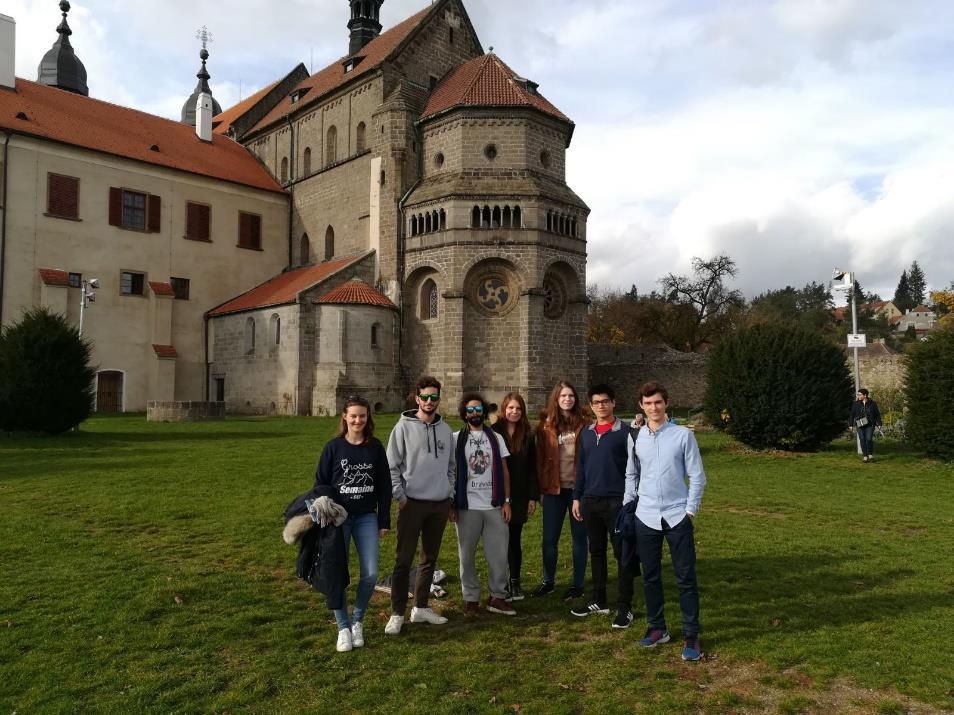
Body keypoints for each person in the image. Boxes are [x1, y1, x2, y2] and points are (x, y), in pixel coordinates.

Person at [626, 381, 706, 661]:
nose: (653, 408)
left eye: (658, 402)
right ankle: (657, 628)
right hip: (645, 516)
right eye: (648, 403)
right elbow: (631, 474)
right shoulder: (635, 437)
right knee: (650, 577)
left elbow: (697, 475)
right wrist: (630, 505)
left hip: (676, 516)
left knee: (686, 579)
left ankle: (691, 636)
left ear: (666, 403)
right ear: (641, 405)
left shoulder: (683, 435)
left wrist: (690, 511)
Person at [314, 396, 391, 652]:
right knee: (337, 573)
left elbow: (384, 487)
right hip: (339, 519)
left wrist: (384, 520)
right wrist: (324, 509)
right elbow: (321, 483)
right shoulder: (333, 448)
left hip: (366, 517)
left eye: (363, 416)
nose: (358, 420)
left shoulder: (375, 448)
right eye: (354, 415)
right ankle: (342, 627)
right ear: (345, 417)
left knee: (369, 573)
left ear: (368, 418)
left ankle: (357, 621)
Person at [384, 376, 456, 635]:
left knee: (429, 559)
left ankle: (421, 607)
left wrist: (449, 494)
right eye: (424, 397)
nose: (429, 401)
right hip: (411, 504)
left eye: (433, 397)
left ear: (439, 399)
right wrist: (400, 496)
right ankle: (396, 612)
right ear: (417, 399)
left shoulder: (446, 431)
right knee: (403, 561)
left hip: (438, 504)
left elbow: (451, 467)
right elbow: (390, 465)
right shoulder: (402, 428)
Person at [570, 384, 638, 629]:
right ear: (591, 405)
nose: (601, 405)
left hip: (617, 503)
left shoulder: (627, 433)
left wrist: (630, 500)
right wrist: (577, 497)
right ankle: (599, 599)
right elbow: (581, 468)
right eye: (597, 402)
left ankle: (625, 606)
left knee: (622, 554)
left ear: (614, 403)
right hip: (590, 501)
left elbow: (635, 470)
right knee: (596, 552)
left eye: (606, 401)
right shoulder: (586, 433)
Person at [453, 393, 515, 615]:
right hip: (467, 506)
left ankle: (497, 596)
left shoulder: (495, 438)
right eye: (470, 410)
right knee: (466, 556)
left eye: (478, 409)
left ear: (484, 412)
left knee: (498, 556)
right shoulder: (455, 438)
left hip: (494, 505)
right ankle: (471, 598)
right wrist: (452, 504)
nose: (475, 413)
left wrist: (507, 501)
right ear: (464, 413)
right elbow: (450, 473)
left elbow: (505, 471)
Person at [533, 381, 590, 600]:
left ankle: (577, 584)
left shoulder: (585, 424)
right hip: (553, 490)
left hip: (578, 490)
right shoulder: (545, 426)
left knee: (579, 538)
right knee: (549, 539)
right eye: (563, 396)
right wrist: (539, 488)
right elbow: (539, 459)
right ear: (556, 399)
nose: (568, 399)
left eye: (571, 395)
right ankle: (548, 581)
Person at [492, 392, 539, 602]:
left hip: (519, 495)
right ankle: (499, 584)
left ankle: (515, 581)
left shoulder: (527, 435)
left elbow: (532, 469)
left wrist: (532, 497)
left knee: (514, 540)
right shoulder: (493, 433)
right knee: (498, 542)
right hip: (496, 494)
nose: (514, 412)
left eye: (518, 409)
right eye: (511, 408)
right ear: (504, 409)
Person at [850, 388, 883, 463]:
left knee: (868, 439)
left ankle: (870, 455)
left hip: (870, 424)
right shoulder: (855, 404)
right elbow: (852, 414)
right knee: (862, 439)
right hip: (859, 424)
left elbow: (877, 414)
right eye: (858, 394)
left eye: (860, 394)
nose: (858, 395)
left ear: (865, 395)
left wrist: (879, 423)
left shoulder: (872, 403)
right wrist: (850, 424)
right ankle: (865, 456)